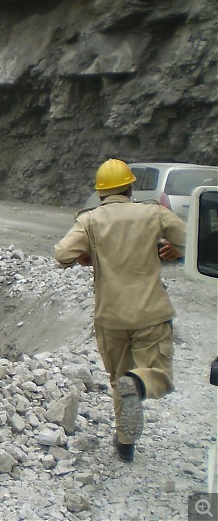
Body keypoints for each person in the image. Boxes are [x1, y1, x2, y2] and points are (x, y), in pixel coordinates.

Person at [54, 158, 187, 464]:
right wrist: (177, 250)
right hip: (150, 313)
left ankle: (125, 443)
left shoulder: (90, 220)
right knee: (158, 376)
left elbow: (62, 255)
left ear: (100, 193)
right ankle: (140, 383)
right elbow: (192, 240)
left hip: (110, 317)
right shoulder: (154, 212)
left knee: (119, 379)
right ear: (130, 187)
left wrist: (86, 255)